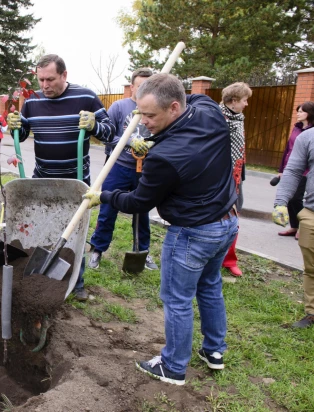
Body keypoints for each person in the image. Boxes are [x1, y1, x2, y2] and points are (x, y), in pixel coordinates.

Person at [84, 73, 238, 385]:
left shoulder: (165, 158)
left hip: (193, 232)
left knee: (177, 298)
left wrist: (104, 196)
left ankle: (173, 367)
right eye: (139, 113)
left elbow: (139, 201)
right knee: (209, 287)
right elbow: (192, 100)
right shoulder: (209, 111)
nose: (143, 122)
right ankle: (214, 351)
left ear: (174, 108)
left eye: (151, 116)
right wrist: (153, 138)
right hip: (227, 223)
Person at [7, 54, 115, 301]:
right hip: (42, 180)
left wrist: (94, 126)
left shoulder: (85, 97)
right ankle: (42, 278)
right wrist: (13, 125)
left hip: (76, 182)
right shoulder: (32, 101)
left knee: (75, 232)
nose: (44, 86)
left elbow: (111, 132)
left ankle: (76, 283)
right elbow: (21, 134)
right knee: (43, 228)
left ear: (64, 75)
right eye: (41, 79)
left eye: (50, 79)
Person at [88, 68, 158, 271]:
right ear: (132, 87)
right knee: (108, 209)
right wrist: (129, 142)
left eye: (149, 86)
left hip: (145, 170)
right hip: (118, 167)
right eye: (140, 85)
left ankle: (142, 251)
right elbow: (106, 137)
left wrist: (153, 145)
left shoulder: (157, 109)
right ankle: (97, 249)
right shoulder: (119, 107)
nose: (144, 89)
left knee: (142, 211)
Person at [273, 119, 314, 329]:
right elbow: (293, 170)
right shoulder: (307, 137)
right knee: (311, 268)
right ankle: (312, 313)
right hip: (312, 213)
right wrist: (281, 202)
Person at [219, 82, 252, 277]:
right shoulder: (217, 118)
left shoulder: (238, 118)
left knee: (234, 217)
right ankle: (215, 257)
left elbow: (239, 148)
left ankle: (229, 260)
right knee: (219, 218)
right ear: (233, 101)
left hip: (236, 173)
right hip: (220, 177)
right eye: (245, 100)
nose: (246, 104)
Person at [275, 102, 314, 239]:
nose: (298, 114)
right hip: (290, 167)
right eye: (298, 111)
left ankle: (303, 227)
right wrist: (282, 169)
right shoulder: (296, 128)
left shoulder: (310, 132)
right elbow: (287, 150)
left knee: (297, 198)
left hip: (305, 172)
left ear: (309, 113)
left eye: (301, 111)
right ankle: (294, 226)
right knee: (290, 198)